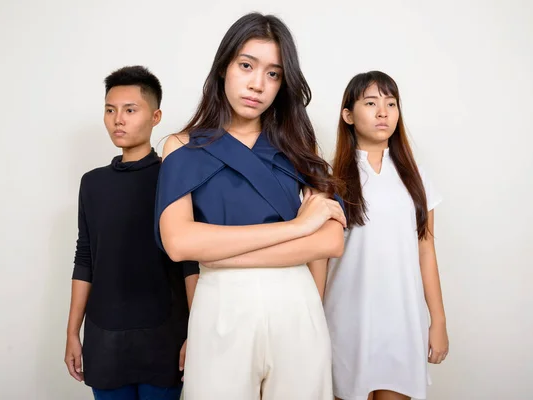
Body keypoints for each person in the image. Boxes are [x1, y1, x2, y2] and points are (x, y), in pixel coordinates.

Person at [155, 12, 346, 400]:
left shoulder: (300, 151)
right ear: (224, 67)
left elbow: (330, 243)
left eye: (274, 74)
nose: (258, 84)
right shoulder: (181, 146)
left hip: (298, 307)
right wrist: (298, 227)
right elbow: (178, 243)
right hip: (220, 310)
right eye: (246, 66)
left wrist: (217, 253)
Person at [64, 65, 198, 400]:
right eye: (110, 110)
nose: (118, 119)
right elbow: (85, 258)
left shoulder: (174, 178)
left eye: (130, 110)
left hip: (164, 337)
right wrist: (72, 332)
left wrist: (195, 334)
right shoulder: (92, 183)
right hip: (103, 336)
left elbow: (190, 262)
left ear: (156, 116)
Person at [325, 71, 449, 400]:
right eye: (371, 103)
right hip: (347, 319)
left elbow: (426, 251)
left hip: (402, 321)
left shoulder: (416, 176)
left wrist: (437, 320)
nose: (383, 112)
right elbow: (318, 258)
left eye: (391, 103)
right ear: (348, 115)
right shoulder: (330, 178)